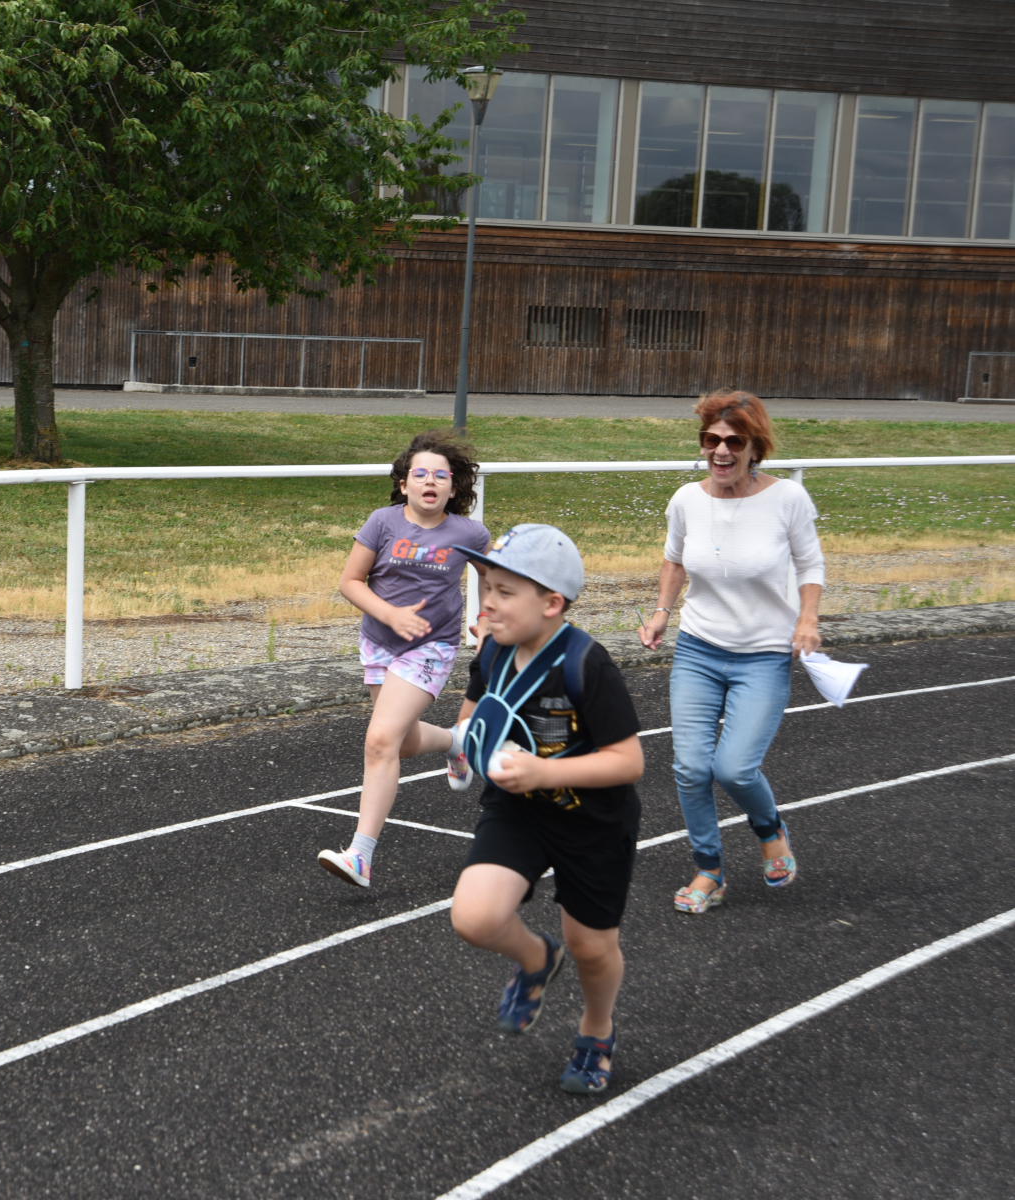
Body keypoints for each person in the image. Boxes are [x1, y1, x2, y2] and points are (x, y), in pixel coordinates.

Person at [448, 524, 646, 1095]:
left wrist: (544, 772)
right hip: (519, 809)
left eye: (505, 592)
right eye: (486, 587)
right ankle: (536, 958)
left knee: (592, 948)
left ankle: (596, 1029)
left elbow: (629, 761)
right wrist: (453, 746)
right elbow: (472, 718)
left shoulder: (587, 664)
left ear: (551, 603)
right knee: (474, 917)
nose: (487, 603)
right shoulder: (493, 648)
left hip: (593, 822)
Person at [638, 389, 824, 914]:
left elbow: (810, 565)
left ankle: (770, 831)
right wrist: (662, 612)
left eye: (734, 441)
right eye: (711, 439)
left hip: (763, 655)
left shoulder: (787, 500)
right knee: (691, 768)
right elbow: (674, 560)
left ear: (755, 448)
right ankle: (709, 871)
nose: (720, 450)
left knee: (735, 769)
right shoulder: (686, 500)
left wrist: (808, 619)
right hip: (698, 650)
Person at [317, 431, 490, 889]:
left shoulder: (469, 533)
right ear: (403, 484)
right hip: (379, 641)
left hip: (431, 646)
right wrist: (390, 614)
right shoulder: (383, 522)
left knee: (379, 741)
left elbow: (492, 576)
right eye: (421, 474)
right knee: (402, 744)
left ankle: (360, 855)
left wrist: (487, 619)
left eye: (440, 476)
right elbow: (350, 582)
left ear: (453, 488)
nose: (430, 481)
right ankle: (456, 742)